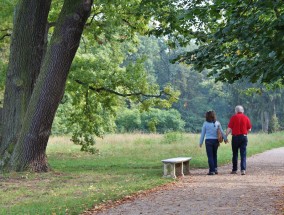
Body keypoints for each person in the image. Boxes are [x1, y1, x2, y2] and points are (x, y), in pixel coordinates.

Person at [226, 105, 252, 175]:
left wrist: (225, 136)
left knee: (235, 154)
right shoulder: (246, 118)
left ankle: (234, 170)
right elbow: (249, 129)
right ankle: (243, 170)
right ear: (242, 111)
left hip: (235, 137)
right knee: (243, 154)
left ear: (236, 111)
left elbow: (229, 128)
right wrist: (245, 133)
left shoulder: (233, 117)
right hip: (244, 137)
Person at [199, 110, 227, 175]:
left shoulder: (205, 123)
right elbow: (222, 132)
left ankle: (211, 171)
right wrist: (225, 139)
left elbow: (203, 133)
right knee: (215, 155)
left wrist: (201, 142)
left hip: (208, 141)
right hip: (216, 141)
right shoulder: (217, 123)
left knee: (210, 156)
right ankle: (215, 169)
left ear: (207, 116)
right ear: (214, 116)